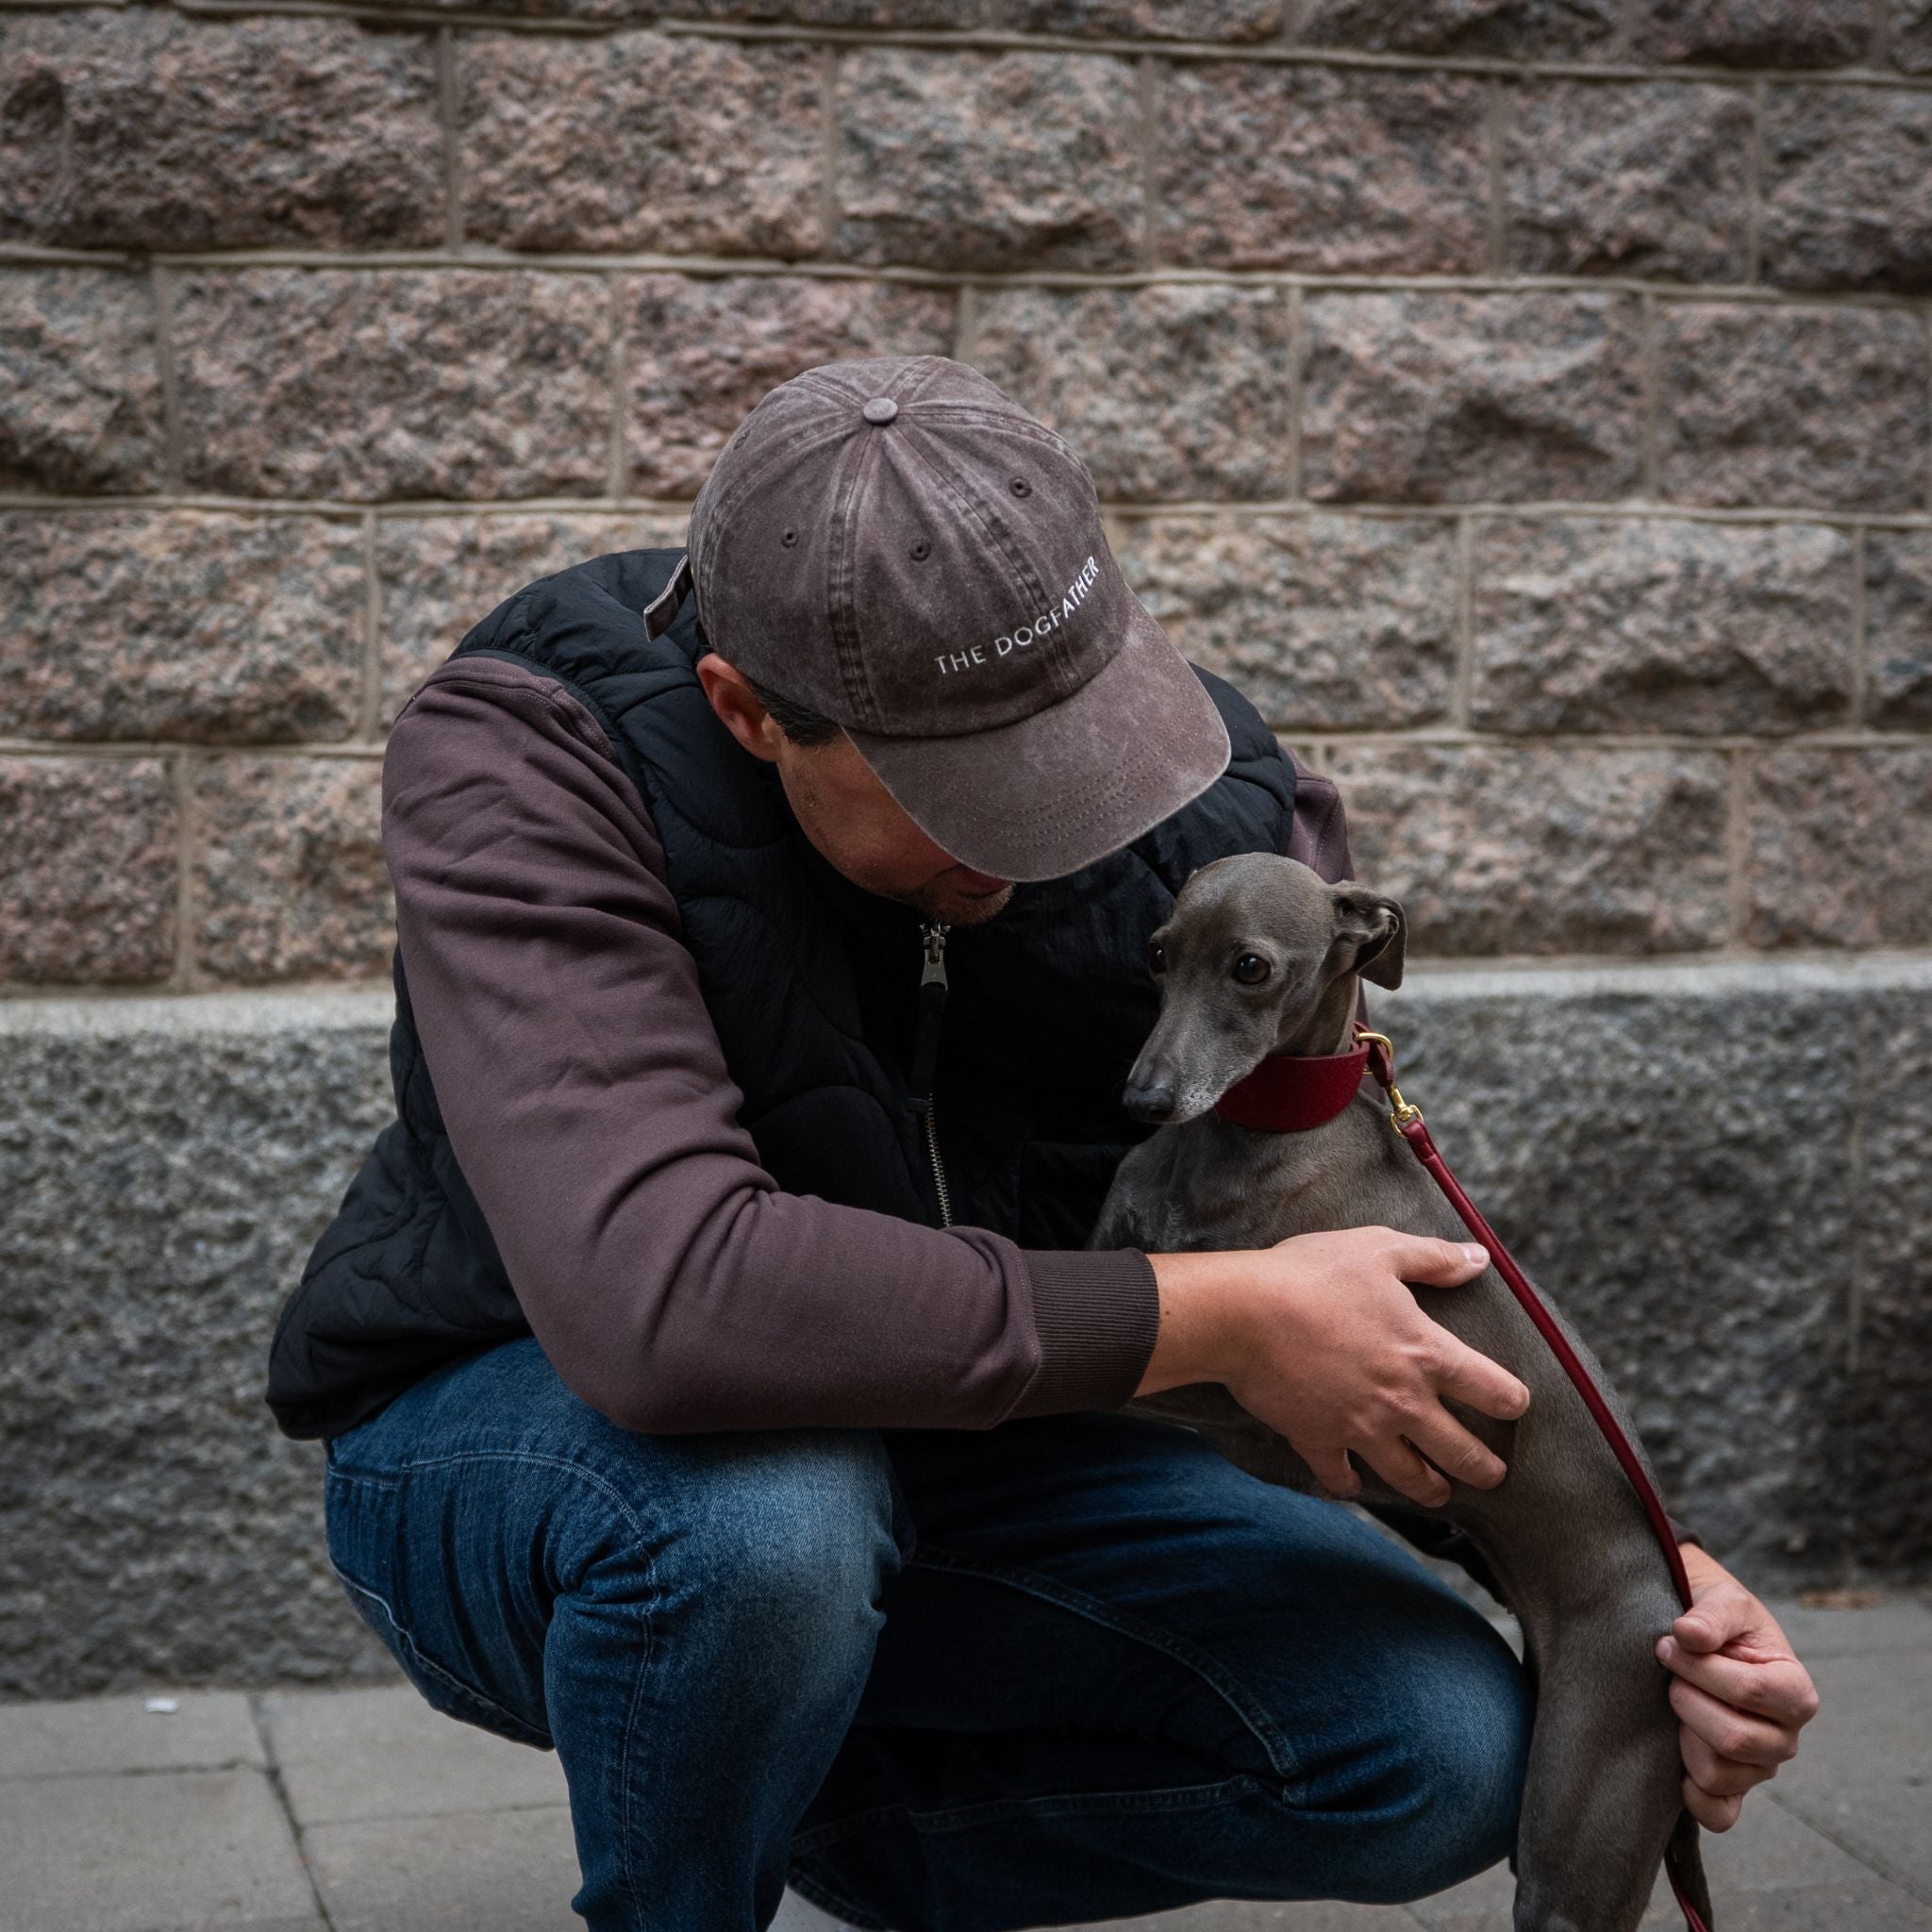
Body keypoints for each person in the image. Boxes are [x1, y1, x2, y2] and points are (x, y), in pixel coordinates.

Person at [266, 357, 1817, 1931]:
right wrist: (1216, 1317)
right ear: (746, 708)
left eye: (1061, 748)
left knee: (1441, 1751)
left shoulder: (1212, 804)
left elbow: (1353, 1268)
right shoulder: (539, 757)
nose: (1040, 829)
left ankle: (791, 1786)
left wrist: (1643, 1587)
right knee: (768, 1527)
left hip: (992, 1453)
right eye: (961, 790)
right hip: (550, 1443)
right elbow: (664, 1305)